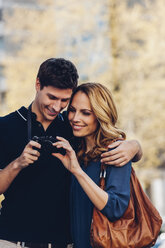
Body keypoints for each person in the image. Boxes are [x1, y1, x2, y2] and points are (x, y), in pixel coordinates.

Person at [0, 58, 142, 248]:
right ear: (37, 84)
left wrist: (135, 146)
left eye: (65, 101)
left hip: (63, 242)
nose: (57, 107)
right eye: (52, 97)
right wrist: (18, 163)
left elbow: (102, 134)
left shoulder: (73, 126)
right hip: (12, 240)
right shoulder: (5, 126)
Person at [53, 83, 133, 248]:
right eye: (72, 110)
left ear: (100, 115)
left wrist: (77, 171)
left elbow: (115, 208)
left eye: (86, 113)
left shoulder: (114, 152)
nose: (75, 118)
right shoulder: (75, 150)